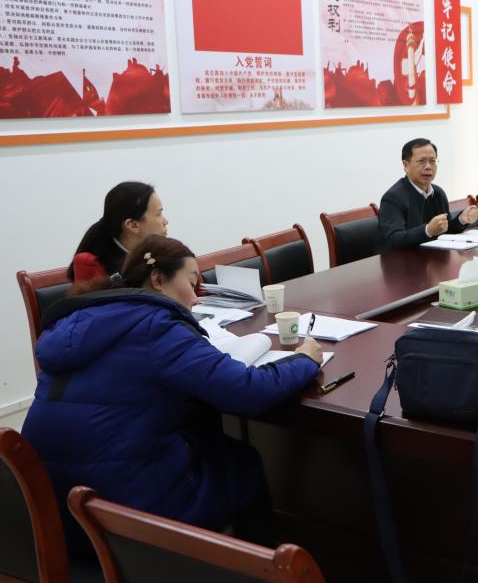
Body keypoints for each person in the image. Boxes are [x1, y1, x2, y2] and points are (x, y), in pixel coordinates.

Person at [23, 235, 323, 551]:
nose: (195, 298)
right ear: (157, 279)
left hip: (51, 509)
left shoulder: (75, 324)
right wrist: (304, 360)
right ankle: (256, 566)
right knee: (242, 464)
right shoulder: (156, 327)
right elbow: (247, 391)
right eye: (192, 283)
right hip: (125, 514)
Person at [376, 138, 478, 251]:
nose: (428, 167)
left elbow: (445, 230)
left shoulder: (438, 193)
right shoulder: (392, 198)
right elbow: (395, 239)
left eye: (432, 161)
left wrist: (461, 220)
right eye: (421, 161)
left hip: (433, 257)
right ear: (406, 165)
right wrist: (427, 230)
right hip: (403, 259)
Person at [68, 181, 168, 282]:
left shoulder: (155, 253)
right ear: (133, 225)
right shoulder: (90, 264)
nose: (165, 221)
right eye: (158, 214)